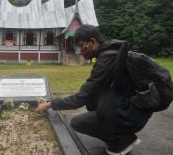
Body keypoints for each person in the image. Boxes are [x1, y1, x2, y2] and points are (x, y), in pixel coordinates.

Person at [36, 25, 152, 155]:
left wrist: (51, 104)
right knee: (93, 105)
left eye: (81, 46)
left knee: (78, 122)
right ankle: (120, 133)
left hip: (131, 116)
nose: (81, 51)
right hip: (136, 110)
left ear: (92, 42)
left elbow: (81, 98)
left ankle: (123, 141)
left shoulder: (106, 61)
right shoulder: (114, 53)